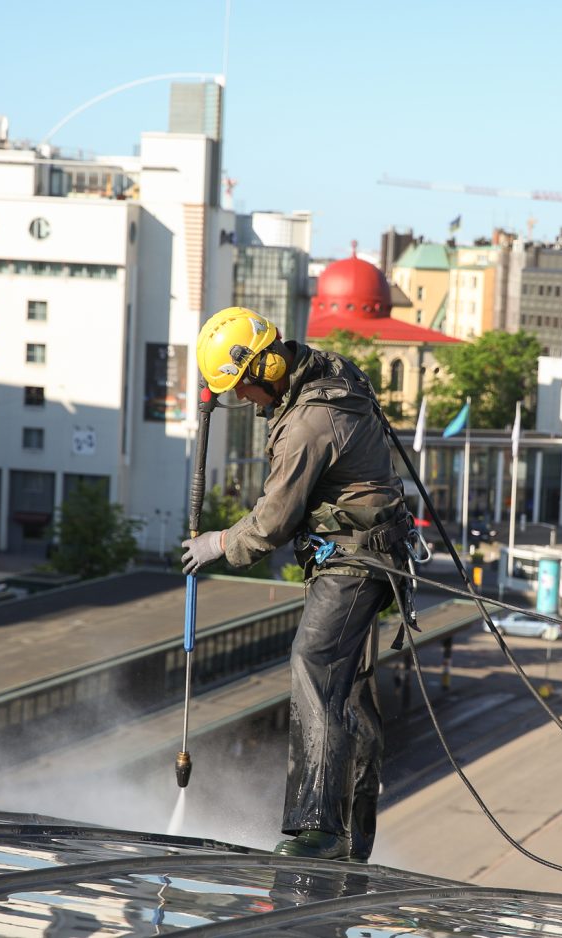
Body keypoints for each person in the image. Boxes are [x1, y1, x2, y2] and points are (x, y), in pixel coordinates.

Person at [181, 307, 414, 863]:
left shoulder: (309, 425)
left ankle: (319, 831)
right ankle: (353, 839)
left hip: (354, 562)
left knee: (313, 663)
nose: (242, 401)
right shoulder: (323, 372)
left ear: (264, 367)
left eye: (243, 389)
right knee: (348, 696)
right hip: (368, 553)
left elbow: (272, 522)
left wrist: (217, 545)